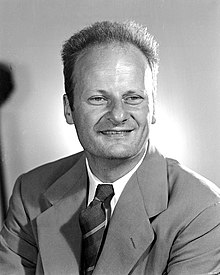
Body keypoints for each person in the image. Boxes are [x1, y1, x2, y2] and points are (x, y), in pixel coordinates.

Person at [0, 21, 220, 275]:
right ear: (69, 109)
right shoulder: (31, 192)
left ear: (153, 108)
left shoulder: (203, 211)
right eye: (98, 98)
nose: (117, 115)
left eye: (133, 98)